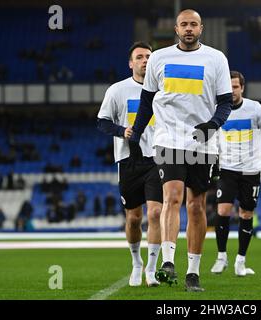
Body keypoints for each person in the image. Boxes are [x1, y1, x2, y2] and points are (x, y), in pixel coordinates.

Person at [129, 9, 232, 292]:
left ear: (202, 28)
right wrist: (136, 134)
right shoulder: (159, 59)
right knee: (172, 197)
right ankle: (169, 262)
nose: (189, 29)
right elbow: (147, 102)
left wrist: (212, 125)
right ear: (176, 29)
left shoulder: (216, 59)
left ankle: (193, 273)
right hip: (169, 139)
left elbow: (225, 103)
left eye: (194, 25)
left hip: (203, 143)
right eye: (184, 24)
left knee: (196, 206)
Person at [97, 41, 163, 287]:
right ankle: (137, 262)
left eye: (148, 56)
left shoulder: (163, 90)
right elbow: (102, 122)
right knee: (134, 218)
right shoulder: (117, 90)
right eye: (140, 57)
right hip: (128, 160)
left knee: (156, 213)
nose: (145, 60)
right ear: (131, 63)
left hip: (158, 158)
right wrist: (121, 130)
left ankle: (152, 269)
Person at [210, 71, 261, 276]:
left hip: (251, 169)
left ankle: (240, 262)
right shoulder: (218, 111)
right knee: (223, 212)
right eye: (229, 87)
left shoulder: (254, 108)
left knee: (246, 214)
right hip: (227, 168)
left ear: (242, 88)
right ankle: (221, 258)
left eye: (235, 87)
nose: (232, 91)